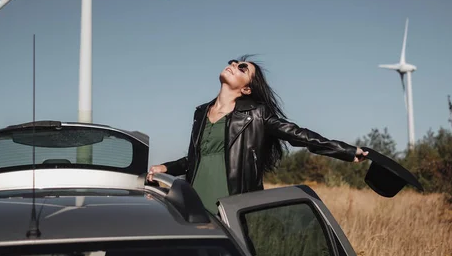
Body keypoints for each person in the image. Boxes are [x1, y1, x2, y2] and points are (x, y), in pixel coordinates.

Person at [147, 55, 369, 214]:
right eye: (233, 62)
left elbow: (300, 136)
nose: (234, 65)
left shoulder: (256, 115)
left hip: (230, 208)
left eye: (242, 68)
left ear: (246, 89)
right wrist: (165, 168)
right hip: (193, 205)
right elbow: (196, 159)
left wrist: (348, 151)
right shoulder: (201, 113)